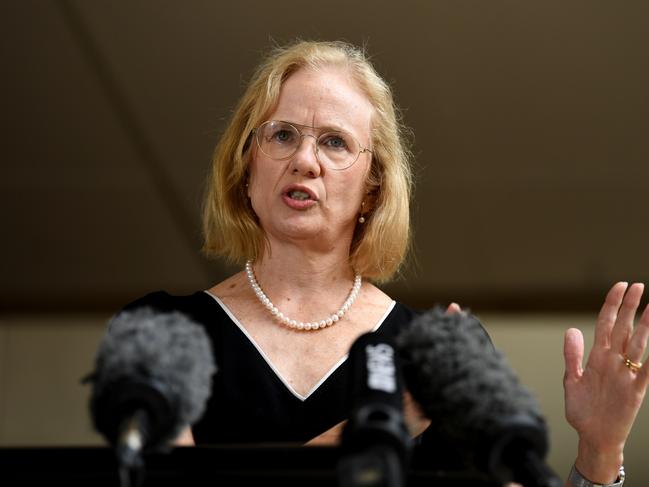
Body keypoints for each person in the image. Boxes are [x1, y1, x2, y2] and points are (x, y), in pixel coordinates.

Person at [121, 40, 648, 486]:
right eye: (282, 135)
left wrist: (599, 454)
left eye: (334, 142)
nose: (305, 160)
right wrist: (385, 422)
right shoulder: (160, 331)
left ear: (372, 189)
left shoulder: (436, 346)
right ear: (246, 165)